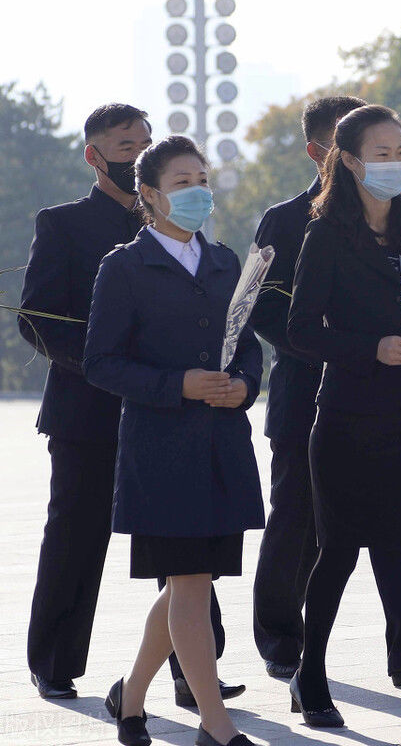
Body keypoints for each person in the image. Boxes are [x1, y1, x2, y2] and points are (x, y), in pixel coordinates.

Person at [249, 95, 401, 688]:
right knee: (307, 528)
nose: (393, 162)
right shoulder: (299, 222)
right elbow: (277, 316)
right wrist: (363, 348)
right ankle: (284, 643)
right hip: (317, 394)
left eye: (400, 150)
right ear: (336, 157)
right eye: (380, 152)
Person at [20, 104, 239, 707]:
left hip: (175, 411)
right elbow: (37, 321)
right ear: (94, 156)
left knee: (187, 545)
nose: (134, 151)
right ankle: (56, 661)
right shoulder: (63, 225)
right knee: (76, 535)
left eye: (143, 142)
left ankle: (196, 678)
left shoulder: (192, 234)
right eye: (122, 145)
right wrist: (104, 370)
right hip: (88, 412)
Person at [84, 135, 265, 746]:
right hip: (161, 448)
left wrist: (243, 385)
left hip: (222, 443)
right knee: (188, 581)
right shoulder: (124, 267)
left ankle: (131, 699)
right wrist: (177, 384)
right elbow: (101, 363)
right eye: (183, 183)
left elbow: (248, 348)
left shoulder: (224, 262)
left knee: (189, 582)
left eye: (202, 179)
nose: (197, 192)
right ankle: (215, 723)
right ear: (150, 194)